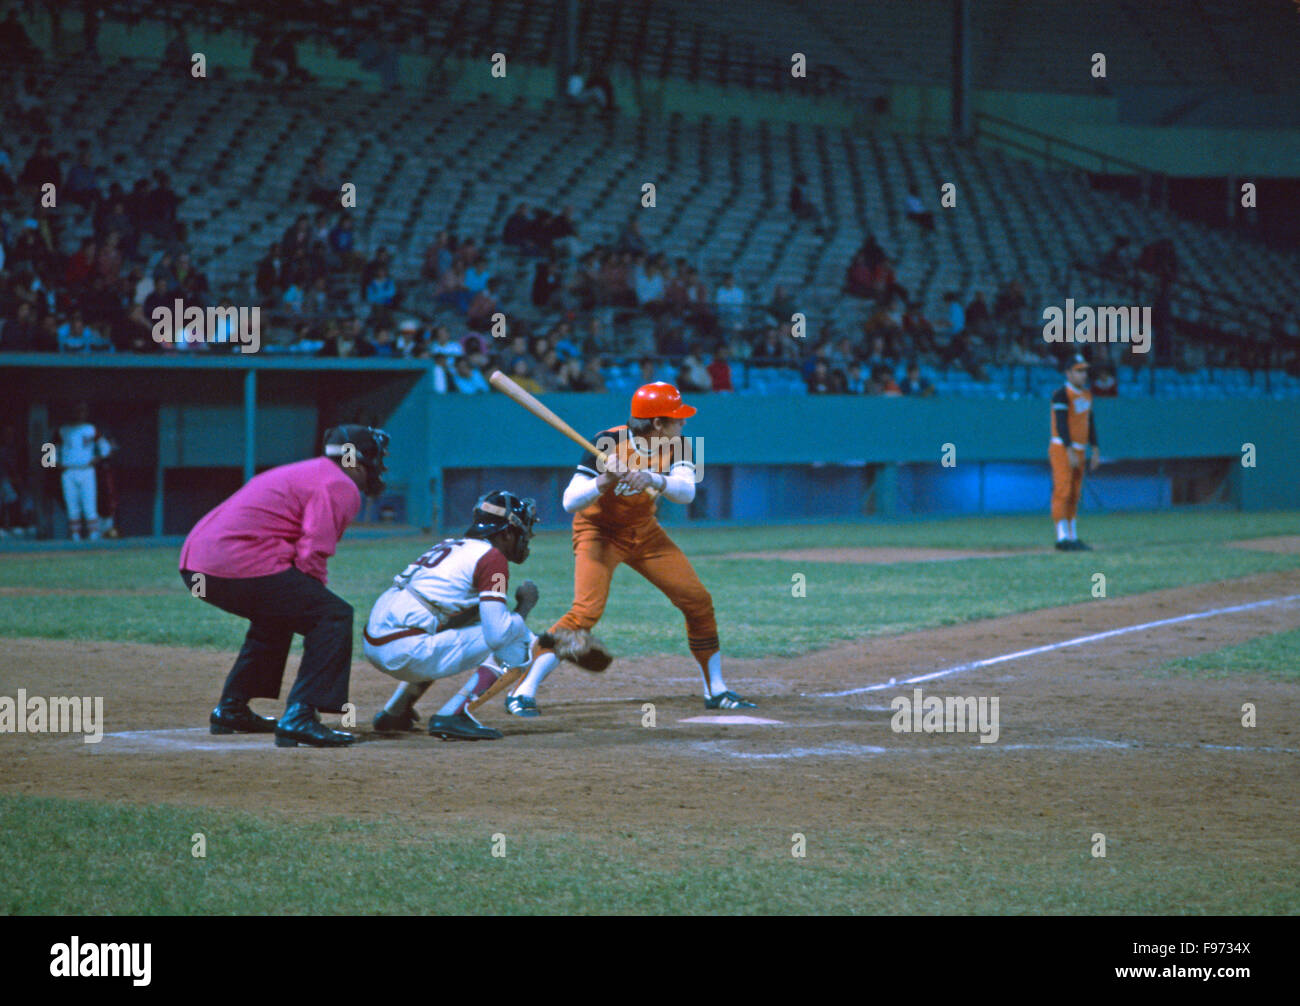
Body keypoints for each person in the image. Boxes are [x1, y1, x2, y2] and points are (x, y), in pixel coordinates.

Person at [504, 383, 756, 717]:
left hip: (645, 533)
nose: (684, 424)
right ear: (657, 424)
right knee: (584, 614)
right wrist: (602, 482)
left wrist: (652, 478)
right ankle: (523, 691)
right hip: (598, 533)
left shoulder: (680, 445)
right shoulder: (606, 442)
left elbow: (686, 492)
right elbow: (569, 501)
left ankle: (716, 689)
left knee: (697, 601)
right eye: (678, 419)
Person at [178, 425, 390, 747]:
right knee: (332, 616)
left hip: (198, 571)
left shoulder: (308, 470)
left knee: (278, 615)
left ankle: (232, 708)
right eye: (373, 458)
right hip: (230, 561)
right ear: (356, 461)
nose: (376, 467)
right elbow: (313, 550)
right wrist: (313, 598)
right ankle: (300, 717)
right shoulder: (339, 483)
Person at [364, 492, 542, 741]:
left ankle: (394, 712)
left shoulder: (451, 545)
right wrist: (524, 607)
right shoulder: (493, 559)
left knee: (472, 621)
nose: (527, 537)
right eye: (523, 530)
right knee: (519, 638)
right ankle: (453, 714)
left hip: (376, 640)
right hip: (403, 649)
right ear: (507, 533)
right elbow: (498, 635)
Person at [1050, 356, 1100, 551]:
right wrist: (1069, 449)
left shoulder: (1087, 395)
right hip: (1063, 448)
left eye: (1084, 371)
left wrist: (1095, 448)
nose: (1083, 375)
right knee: (1063, 490)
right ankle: (1061, 537)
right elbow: (1061, 423)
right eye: (1078, 371)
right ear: (1068, 373)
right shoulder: (1061, 394)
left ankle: (1073, 535)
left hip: (1080, 449)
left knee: (1074, 493)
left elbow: (1090, 423)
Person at [57, 403, 111, 541]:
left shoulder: (91, 429)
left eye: (82, 411)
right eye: (76, 410)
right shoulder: (63, 430)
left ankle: (93, 536)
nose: (79, 413)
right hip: (68, 471)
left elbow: (106, 447)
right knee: (72, 506)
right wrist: (54, 464)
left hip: (86, 470)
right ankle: (75, 536)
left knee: (89, 505)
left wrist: (96, 459)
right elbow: (48, 448)